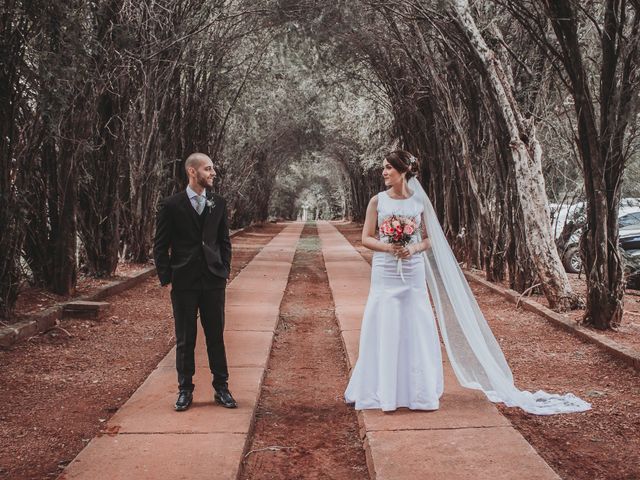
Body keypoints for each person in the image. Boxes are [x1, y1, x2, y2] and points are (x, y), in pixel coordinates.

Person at [345, 150, 591, 415]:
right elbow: (366, 238)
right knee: (382, 321)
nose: (383, 172)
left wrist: (413, 250)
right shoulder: (377, 201)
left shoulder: (419, 203)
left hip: (413, 270)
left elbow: (429, 239)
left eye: (388, 168)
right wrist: (389, 247)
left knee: (415, 324)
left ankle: (417, 391)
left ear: (403, 171)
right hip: (386, 271)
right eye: (383, 168)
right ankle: (379, 390)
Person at [153, 152, 237, 411]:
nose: (213, 173)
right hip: (184, 281)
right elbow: (160, 245)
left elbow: (224, 241)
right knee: (185, 337)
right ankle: (184, 389)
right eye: (208, 169)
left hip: (213, 280)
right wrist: (167, 278)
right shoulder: (171, 205)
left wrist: (224, 270)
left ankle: (221, 388)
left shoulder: (219, 203)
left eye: (212, 169)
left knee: (215, 335)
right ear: (192, 171)